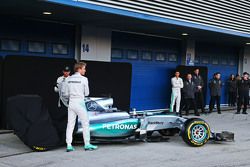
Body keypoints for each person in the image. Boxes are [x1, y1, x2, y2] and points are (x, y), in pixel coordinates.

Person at [64, 62, 98, 152]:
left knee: (70, 124)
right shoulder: (84, 79)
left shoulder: (68, 79)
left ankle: (69, 145)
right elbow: (87, 93)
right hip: (80, 103)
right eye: (84, 68)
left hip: (71, 103)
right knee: (85, 124)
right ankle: (87, 144)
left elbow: (65, 94)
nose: (85, 70)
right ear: (79, 69)